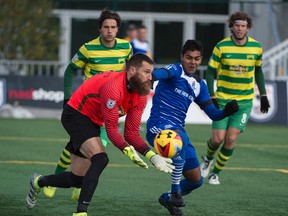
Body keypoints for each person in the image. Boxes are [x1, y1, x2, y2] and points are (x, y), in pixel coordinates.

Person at [26, 53, 175, 216]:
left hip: (93, 121)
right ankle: (80, 213)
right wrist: (127, 150)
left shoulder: (140, 95)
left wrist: (152, 155)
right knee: (101, 159)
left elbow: (131, 133)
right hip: (76, 114)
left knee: (78, 180)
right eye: (146, 72)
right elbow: (111, 129)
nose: (150, 76)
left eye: (151, 72)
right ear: (132, 70)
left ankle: (38, 181)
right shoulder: (113, 88)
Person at [43, 8, 133, 200]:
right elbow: (69, 71)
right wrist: (67, 99)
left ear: (118, 29)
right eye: (106, 27)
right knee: (75, 147)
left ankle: (78, 185)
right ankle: (57, 180)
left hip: (109, 110)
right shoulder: (88, 49)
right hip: (87, 108)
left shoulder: (126, 47)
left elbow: (128, 74)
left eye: (113, 27)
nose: (110, 31)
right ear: (100, 29)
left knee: (98, 149)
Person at [146, 40, 239, 216]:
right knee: (180, 139)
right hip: (158, 127)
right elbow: (160, 73)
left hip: (179, 130)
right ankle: (175, 193)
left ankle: (166, 198)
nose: (192, 62)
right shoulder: (175, 70)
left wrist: (226, 112)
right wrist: (152, 78)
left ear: (201, 59)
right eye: (188, 57)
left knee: (196, 180)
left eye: (196, 59)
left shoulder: (200, 85)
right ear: (182, 57)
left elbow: (213, 113)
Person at [200, 11, 270, 185]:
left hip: (244, 102)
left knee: (230, 138)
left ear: (248, 28)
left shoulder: (256, 47)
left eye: (243, 26)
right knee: (217, 139)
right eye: (237, 25)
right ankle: (208, 159)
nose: (240, 29)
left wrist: (263, 95)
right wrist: (212, 95)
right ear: (231, 27)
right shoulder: (221, 47)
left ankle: (215, 173)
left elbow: (258, 70)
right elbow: (210, 71)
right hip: (223, 100)